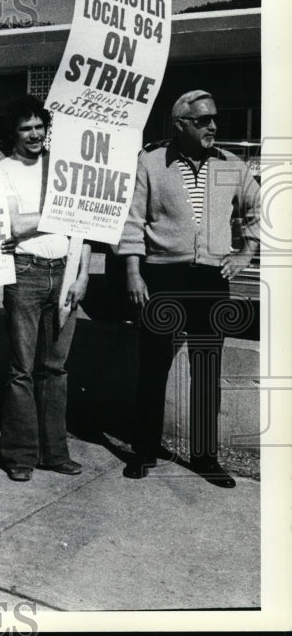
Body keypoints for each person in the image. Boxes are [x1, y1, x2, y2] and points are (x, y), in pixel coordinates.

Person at [117, 90, 260, 487]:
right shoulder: (151, 163)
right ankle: (145, 450)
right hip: (162, 279)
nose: (213, 126)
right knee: (153, 369)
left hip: (212, 281)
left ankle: (205, 456)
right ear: (180, 124)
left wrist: (245, 254)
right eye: (202, 121)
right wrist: (133, 272)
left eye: (215, 118)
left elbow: (257, 211)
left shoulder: (231, 166)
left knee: (206, 370)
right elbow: (132, 222)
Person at [0, 95, 91, 482]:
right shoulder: (3, 169)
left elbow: (84, 224)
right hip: (26, 272)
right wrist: (58, 209)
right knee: (21, 368)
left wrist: (83, 276)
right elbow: (11, 226)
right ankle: (20, 454)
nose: (34, 134)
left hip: (66, 271)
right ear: (14, 133)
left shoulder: (62, 166)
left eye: (39, 127)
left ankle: (55, 452)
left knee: (55, 368)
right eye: (25, 128)